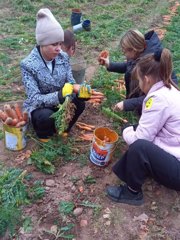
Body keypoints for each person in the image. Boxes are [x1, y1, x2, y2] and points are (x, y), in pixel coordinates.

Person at [106, 48, 180, 206]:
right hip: (175, 146)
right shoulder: (169, 88)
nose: (139, 85)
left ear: (146, 79)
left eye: (139, 81)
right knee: (137, 131)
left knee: (139, 147)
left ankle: (132, 192)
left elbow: (140, 139)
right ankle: (147, 168)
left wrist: (126, 132)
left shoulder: (158, 99)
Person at [20, 8, 91, 142]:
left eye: (59, 43)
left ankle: (63, 128)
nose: (59, 48)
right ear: (42, 43)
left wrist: (80, 91)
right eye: (54, 44)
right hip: (41, 106)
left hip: (62, 100)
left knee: (80, 103)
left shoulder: (63, 57)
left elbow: (70, 80)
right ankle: (44, 135)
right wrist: (59, 95)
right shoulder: (28, 65)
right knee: (45, 116)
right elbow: (35, 99)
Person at [98, 29, 178, 115]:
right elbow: (130, 66)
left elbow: (155, 97)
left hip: (158, 109)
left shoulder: (151, 64)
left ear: (134, 50)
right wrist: (109, 64)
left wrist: (127, 104)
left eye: (124, 51)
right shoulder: (141, 52)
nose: (124, 53)